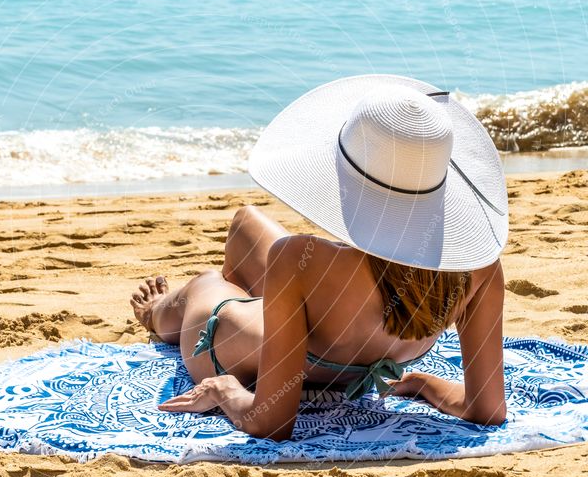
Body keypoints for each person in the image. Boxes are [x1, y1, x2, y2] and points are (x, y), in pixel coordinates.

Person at [130, 75, 509, 441]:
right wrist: (423, 382)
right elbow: (486, 409)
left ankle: (157, 311)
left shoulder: (298, 258)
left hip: (227, 349)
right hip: (339, 350)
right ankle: (283, 312)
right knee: (247, 224)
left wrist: (226, 391)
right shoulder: (479, 267)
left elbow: (271, 424)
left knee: (207, 284)